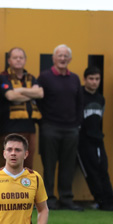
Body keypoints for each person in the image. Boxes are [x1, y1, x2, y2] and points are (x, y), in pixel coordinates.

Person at [36, 44, 83, 211]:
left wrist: (77, 124)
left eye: (65, 56)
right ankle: (49, 200)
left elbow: (79, 103)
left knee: (68, 165)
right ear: (54, 58)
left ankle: (66, 198)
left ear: (69, 59)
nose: (63, 59)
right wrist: (44, 123)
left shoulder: (75, 79)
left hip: (71, 129)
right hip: (50, 128)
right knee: (49, 165)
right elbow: (38, 102)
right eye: (59, 56)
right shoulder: (45, 77)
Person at [78, 67, 113, 211]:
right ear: (85, 80)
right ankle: (101, 200)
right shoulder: (78, 95)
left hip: (97, 138)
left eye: (97, 79)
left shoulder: (100, 98)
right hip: (81, 140)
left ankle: (109, 199)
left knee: (103, 169)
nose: (94, 82)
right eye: (91, 79)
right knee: (91, 171)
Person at [0, 47, 43, 169]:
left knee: (28, 165)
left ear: (25, 60)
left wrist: (21, 90)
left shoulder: (31, 77)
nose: (18, 60)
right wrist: (31, 93)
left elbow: (40, 94)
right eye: (15, 57)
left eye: (21, 57)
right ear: (9, 60)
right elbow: (11, 96)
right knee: (10, 165)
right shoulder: (4, 77)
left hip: (30, 128)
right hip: (10, 128)